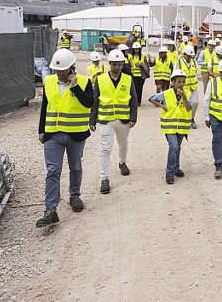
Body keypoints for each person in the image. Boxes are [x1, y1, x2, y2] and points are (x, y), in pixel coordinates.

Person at [36, 49, 94, 227]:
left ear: (71, 68)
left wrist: (75, 86)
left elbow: (89, 103)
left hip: (76, 134)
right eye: (57, 70)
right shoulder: (49, 81)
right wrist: (41, 130)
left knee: (75, 166)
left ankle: (74, 195)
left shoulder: (84, 82)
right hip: (53, 134)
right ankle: (50, 209)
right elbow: (46, 106)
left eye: (63, 70)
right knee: (53, 170)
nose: (60, 74)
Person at [89, 49, 138, 194]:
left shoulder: (128, 79)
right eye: (114, 64)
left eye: (119, 64)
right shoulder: (100, 79)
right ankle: (105, 179)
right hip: (106, 119)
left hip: (123, 119)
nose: (117, 67)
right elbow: (95, 100)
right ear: (109, 64)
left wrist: (133, 117)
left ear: (122, 64)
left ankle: (122, 162)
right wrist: (92, 119)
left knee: (123, 144)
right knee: (105, 149)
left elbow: (133, 99)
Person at [148, 69, 192, 184]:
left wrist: (184, 97)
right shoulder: (166, 94)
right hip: (169, 126)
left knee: (178, 147)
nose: (181, 84)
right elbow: (151, 98)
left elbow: (189, 108)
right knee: (174, 147)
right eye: (178, 81)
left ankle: (177, 168)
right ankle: (170, 173)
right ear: (172, 82)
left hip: (181, 126)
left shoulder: (187, 93)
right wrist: (162, 106)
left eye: (183, 82)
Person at [177, 45, 199, 129]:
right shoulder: (179, 62)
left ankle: (191, 118)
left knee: (195, 103)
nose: (190, 57)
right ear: (184, 54)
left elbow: (197, 72)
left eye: (191, 56)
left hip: (193, 87)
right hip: (183, 88)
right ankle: (183, 120)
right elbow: (174, 74)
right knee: (182, 105)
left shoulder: (194, 62)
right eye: (188, 56)